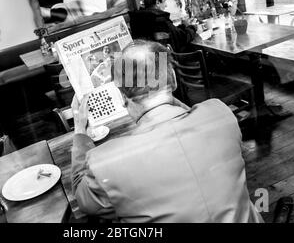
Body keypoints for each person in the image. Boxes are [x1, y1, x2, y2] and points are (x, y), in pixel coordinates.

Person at [71, 40, 263, 222]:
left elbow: (84, 200)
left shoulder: (106, 163)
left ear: (122, 96)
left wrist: (80, 131)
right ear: (174, 80)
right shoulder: (220, 113)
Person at [128, 0, 197, 52]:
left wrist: (184, 26)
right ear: (157, 2)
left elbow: (171, 33)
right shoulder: (158, 20)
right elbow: (182, 38)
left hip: (147, 61)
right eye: (164, 1)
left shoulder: (137, 19)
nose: (166, 5)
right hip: (166, 61)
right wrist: (193, 27)